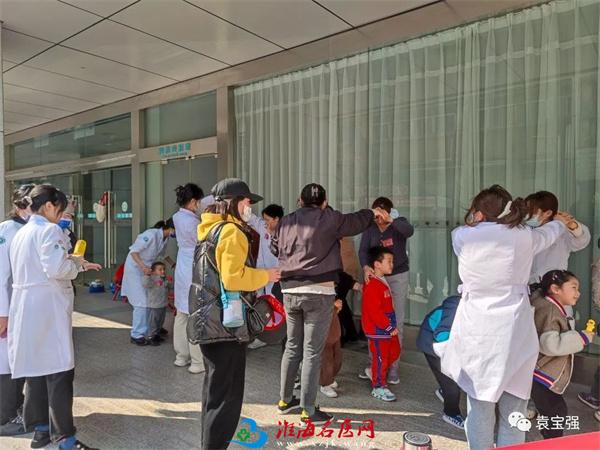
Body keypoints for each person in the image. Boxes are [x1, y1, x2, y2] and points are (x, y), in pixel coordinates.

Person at [440, 185, 569, 450]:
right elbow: (549, 233)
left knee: (480, 408)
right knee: (514, 412)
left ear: (478, 212)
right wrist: (559, 222)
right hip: (514, 332)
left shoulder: (462, 236)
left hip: (477, 330)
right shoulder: (524, 236)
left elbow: (474, 230)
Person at [272, 183, 388, 425]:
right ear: (324, 202)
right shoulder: (330, 218)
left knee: (292, 346)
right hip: (319, 291)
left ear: (300, 200)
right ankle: (308, 410)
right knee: (312, 351)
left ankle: (285, 400)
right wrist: (372, 212)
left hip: (290, 290)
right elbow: (355, 222)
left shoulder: (285, 222)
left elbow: (275, 248)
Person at [188, 178, 280, 450]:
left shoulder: (210, 230)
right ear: (232, 202)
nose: (249, 206)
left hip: (209, 322)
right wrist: (266, 275)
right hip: (226, 325)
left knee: (214, 395)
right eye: (246, 201)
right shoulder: (231, 232)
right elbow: (233, 278)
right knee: (227, 398)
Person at [8, 184, 101, 450]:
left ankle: (40, 430)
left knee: (36, 371)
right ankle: (66, 439)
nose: (61, 216)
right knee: (60, 373)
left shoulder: (22, 232)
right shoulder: (49, 230)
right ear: (49, 206)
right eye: (60, 210)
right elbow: (57, 268)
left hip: (27, 306)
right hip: (47, 307)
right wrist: (76, 264)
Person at [530, 270, 594, 439]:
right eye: (573, 287)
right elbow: (550, 344)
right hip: (542, 374)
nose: (578, 293)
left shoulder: (546, 305)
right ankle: (552, 444)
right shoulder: (551, 311)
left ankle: (549, 440)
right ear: (555, 289)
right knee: (556, 412)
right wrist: (581, 338)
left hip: (538, 372)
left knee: (553, 412)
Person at [359, 197, 413, 383]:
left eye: (381, 213)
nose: (378, 217)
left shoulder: (398, 223)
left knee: (395, 321)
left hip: (397, 276)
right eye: (375, 213)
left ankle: (393, 368)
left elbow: (409, 231)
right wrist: (366, 267)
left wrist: (391, 220)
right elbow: (363, 251)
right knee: (375, 320)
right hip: (376, 277)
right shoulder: (370, 228)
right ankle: (373, 364)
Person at [0, 183, 34, 437]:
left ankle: (14, 406)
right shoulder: (7, 230)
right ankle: (5, 418)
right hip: (7, 308)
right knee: (7, 364)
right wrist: (3, 313)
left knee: (17, 362)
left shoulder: (27, 229)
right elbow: (1, 275)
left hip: (20, 308)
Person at [122, 219, 175, 346]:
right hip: (136, 269)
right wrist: (143, 267)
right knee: (141, 302)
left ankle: (154, 328)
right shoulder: (151, 234)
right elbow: (134, 252)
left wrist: (174, 265)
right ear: (172, 228)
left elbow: (163, 255)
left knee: (151, 300)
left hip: (147, 270)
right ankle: (137, 335)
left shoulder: (165, 239)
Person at [416, 295, 464, 429]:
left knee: (452, 379)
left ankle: (444, 391)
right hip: (432, 344)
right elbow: (442, 335)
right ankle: (451, 413)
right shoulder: (456, 306)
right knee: (451, 382)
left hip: (446, 343)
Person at [172, 183, 205, 373]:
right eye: (198, 202)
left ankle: (181, 356)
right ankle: (197, 362)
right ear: (193, 202)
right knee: (195, 313)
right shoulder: (194, 222)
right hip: (193, 263)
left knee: (181, 314)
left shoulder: (177, 217)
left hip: (182, 263)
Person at [361, 247, 401, 402]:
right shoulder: (372, 284)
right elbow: (374, 311)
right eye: (388, 261)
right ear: (377, 264)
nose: (392, 264)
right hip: (378, 329)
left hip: (386, 327)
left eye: (392, 261)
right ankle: (378, 386)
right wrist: (388, 326)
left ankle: (376, 372)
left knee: (394, 351)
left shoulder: (380, 281)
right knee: (381, 358)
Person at [526, 191, 591, 285]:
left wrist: (572, 225)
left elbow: (582, 240)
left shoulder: (562, 231)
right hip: (528, 285)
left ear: (548, 213)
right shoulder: (525, 230)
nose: (527, 214)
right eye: (526, 210)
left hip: (554, 284)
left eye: (532, 211)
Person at [247, 203, 284, 350]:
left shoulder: (286, 233)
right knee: (261, 304)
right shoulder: (262, 226)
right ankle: (262, 335)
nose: (265, 222)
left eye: (268, 219)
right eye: (264, 219)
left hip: (277, 275)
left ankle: (277, 334)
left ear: (277, 219)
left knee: (275, 305)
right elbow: (250, 218)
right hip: (261, 273)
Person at [319, 298, 343, 398]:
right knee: (326, 358)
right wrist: (333, 306)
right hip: (322, 325)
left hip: (332, 322)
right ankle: (325, 383)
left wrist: (335, 307)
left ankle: (329, 378)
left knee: (337, 357)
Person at [143, 262, 170, 346]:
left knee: (160, 322)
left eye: (164, 269)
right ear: (153, 271)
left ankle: (156, 334)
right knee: (153, 323)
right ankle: (150, 337)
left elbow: (167, 288)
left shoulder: (163, 279)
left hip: (162, 305)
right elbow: (145, 284)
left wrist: (168, 282)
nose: (163, 271)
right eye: (160, 269)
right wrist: (147, 275)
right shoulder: (152, 279)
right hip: (154, 306)